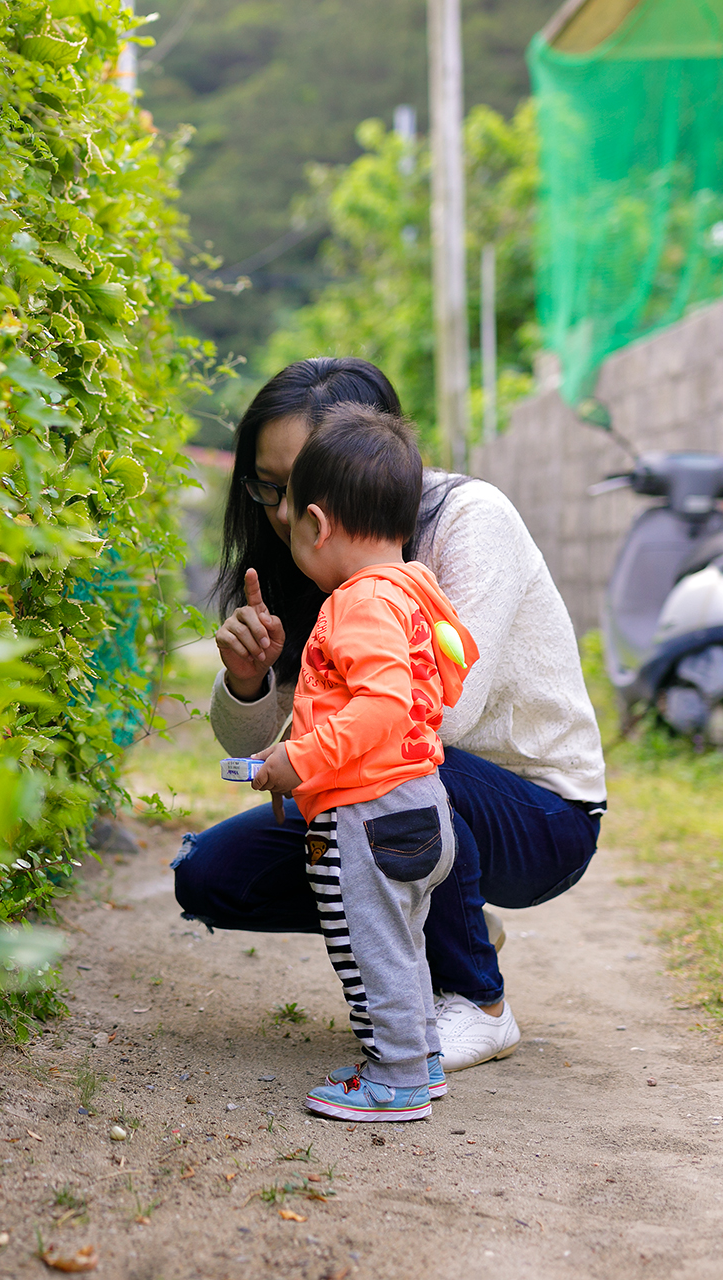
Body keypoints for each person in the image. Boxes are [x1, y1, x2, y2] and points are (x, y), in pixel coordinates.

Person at [175, 357, 607, 1072]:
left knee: (399, 773)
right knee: (212, 875)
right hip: (406, 790)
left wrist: (308, 755)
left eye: (300, 486)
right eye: (268, 488)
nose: (284, 515)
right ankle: (446, 914)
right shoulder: (312, 557)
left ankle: (479, 1002)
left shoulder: (470, 521)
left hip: (540, 815)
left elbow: (436, 717)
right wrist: (249, 681)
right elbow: (272, 731)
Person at [246, 405, 476, 1120]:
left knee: (369, 952)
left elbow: (378, 707)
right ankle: (423, 1061)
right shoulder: (415, 590)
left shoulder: (357, 602)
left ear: (316, 522)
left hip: (369, 816)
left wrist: (303, 759)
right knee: (401, 945)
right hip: (419, 800)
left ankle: (397, 1079)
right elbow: (453, 670)